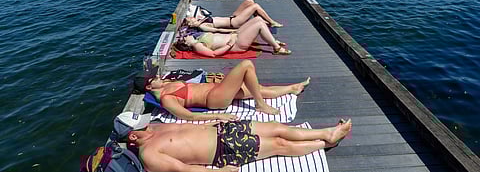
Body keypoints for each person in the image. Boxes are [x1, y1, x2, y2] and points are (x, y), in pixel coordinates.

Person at [125, 117, 352, 171]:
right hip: (224, 149)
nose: (146, 124)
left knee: (277, 127)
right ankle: (324, 144)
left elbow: (190, 125)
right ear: (132, 136)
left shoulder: (155, 125)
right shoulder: (150, 153)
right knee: (280, 144)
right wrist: (221, 171)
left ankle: (328, 133)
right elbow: (184, 169)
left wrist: (217, 118)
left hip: (223, 129)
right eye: (140, 126)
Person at [137, 59, 309, 120]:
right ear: (150, 86)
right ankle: (260, 105)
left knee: (258, 88)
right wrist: (219, 115)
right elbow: (188, 116)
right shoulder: (167, 99)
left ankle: (291, 89)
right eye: (155, 78)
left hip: (218, 89)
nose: (159, 76)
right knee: (246, 66)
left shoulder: (166, 83)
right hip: (214, 99)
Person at [175, 16, 292, 57]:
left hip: (234, 36)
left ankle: (272, 41)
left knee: (258, 19)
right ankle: (276, 48)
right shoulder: (197, 45)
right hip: (236, 43)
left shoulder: (197, 38)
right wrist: (230, 43)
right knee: (260, 25)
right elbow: (214, 54)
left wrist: (232, 33)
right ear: (186, 44)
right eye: (184, 39)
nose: (185, 37)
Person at [186, 0, 283, 31]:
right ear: (192, 24)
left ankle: (261, 22)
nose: (191, 18)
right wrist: (235, 32)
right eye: (190, 20)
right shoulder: (203, 26)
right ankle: (271, 22)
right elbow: (217, 30)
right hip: (235, 23)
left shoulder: (201, 20)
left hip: (231, 17)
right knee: (255, 6)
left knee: (249, 1)